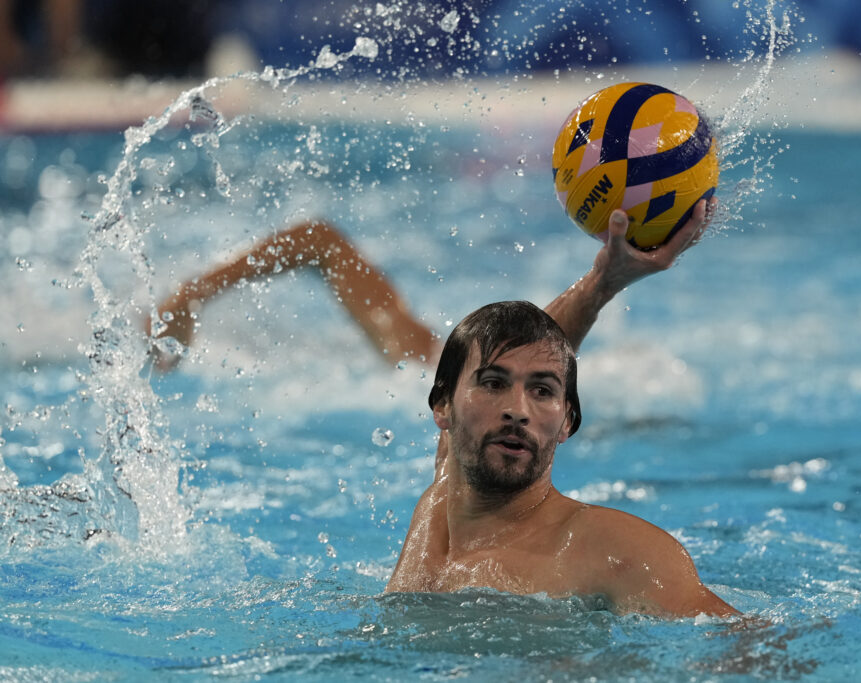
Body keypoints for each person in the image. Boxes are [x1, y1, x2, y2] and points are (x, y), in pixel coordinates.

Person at [152, 201, 737, 618]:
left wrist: (601, 286)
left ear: (566, 423)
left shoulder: (617, 551)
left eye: (542, 393)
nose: (517, 410)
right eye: (492, 384)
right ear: (443, 409)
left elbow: (753, 649)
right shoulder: (442, 500)